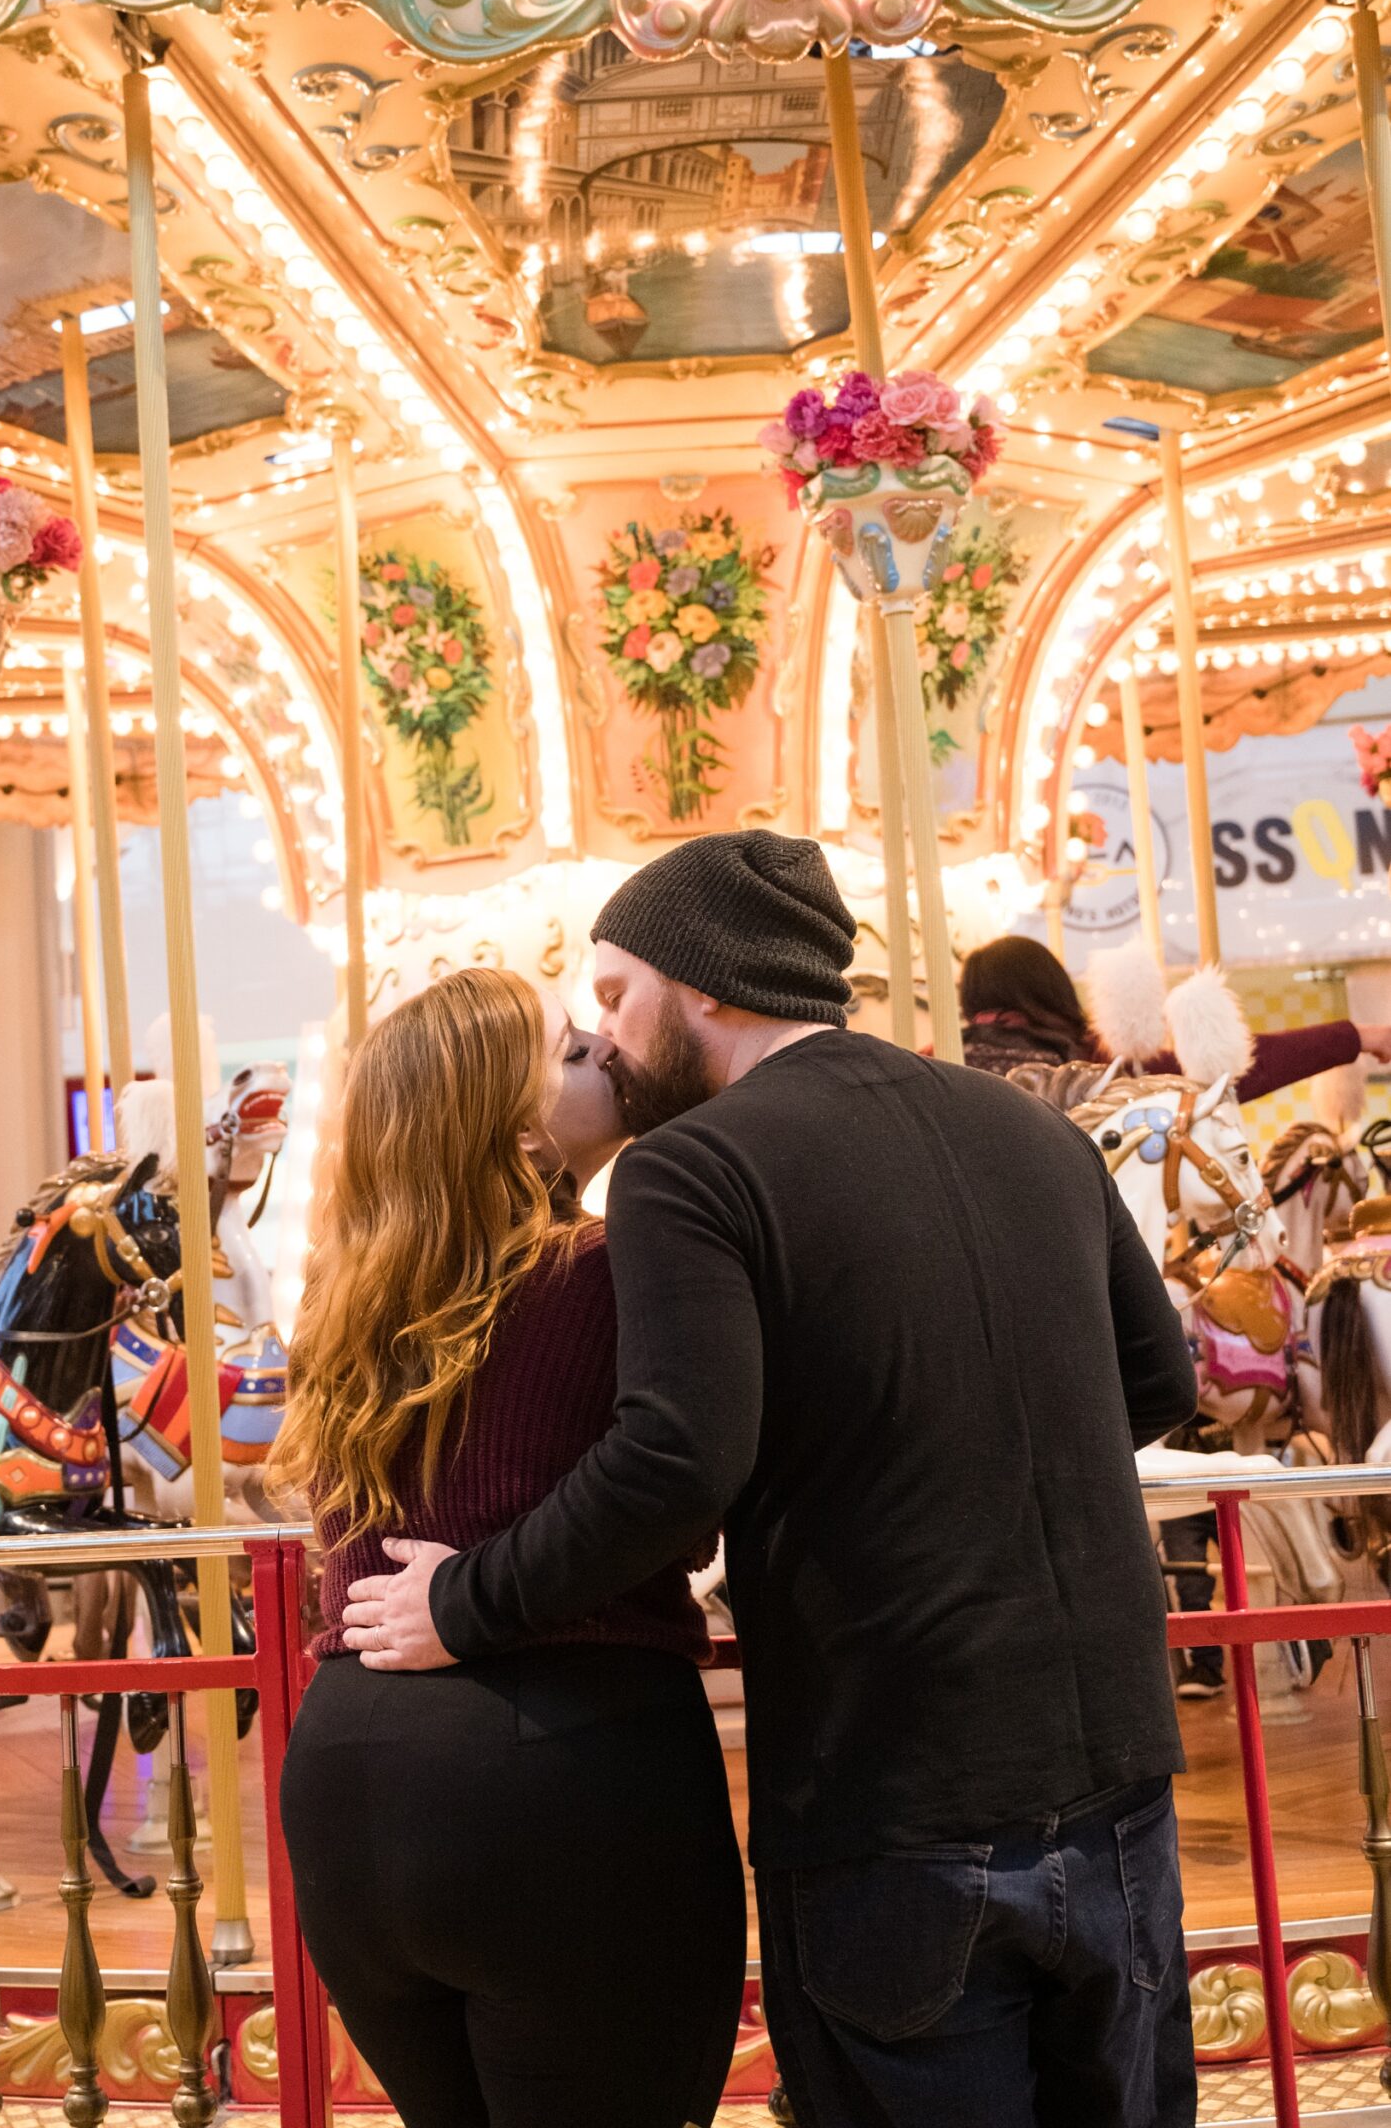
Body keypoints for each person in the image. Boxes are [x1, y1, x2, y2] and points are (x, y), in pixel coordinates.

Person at [344, 831, 1200, 2128]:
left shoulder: (695, 1168)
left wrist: (463, 1601)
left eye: (616, 997)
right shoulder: (1030, 1132)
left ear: (710, 987)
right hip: (1117, 1773)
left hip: (896, 1786)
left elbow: (677, 1460)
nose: (607, 1040)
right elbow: (1151, 1384)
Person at [269, 966, 744, 2128]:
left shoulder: (349, 1307)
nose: (605, 1050)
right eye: (571, 1047)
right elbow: (683, 1501)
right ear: (514, 1124)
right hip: (555, 1764)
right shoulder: (606, 1267)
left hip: (348, 1778)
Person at [959, 930, 1391, 1094]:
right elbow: (1220, 1074)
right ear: (1050, 993)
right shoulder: (1094, 1066)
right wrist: (1359, 1036)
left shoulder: (937, 1059)